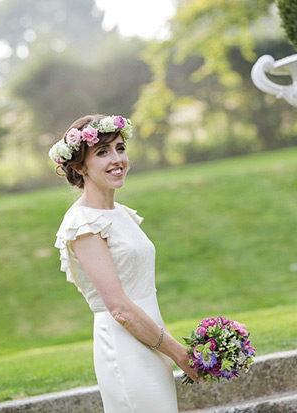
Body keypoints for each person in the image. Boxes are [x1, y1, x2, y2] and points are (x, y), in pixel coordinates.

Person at [51, 114, 200, 412]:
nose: (117, 159)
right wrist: (180, 354)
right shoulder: (83, 223)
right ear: (80, 166)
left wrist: (173, 349)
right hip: (125, 348)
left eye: (120, 148)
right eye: (103, 152)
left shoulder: (121, 213)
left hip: (152, 341)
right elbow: (119, 308)